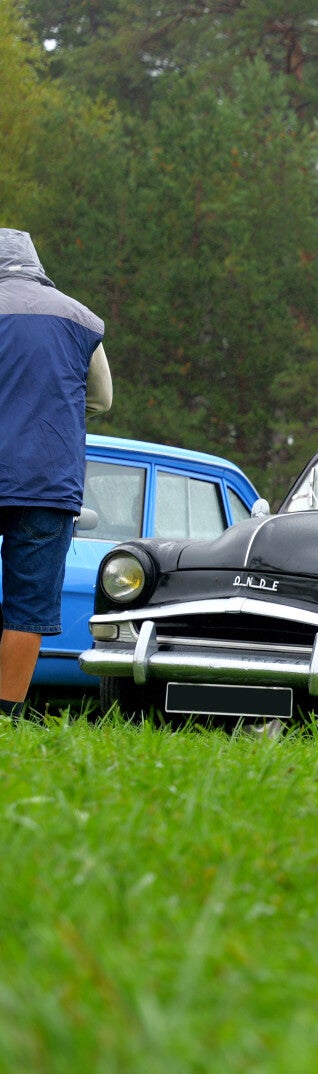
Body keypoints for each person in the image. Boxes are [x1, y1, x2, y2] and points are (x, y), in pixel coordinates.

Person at [0, 229, 111, 717]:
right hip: (46, 483)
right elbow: (102, 399)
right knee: (28, 608)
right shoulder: (80, 318)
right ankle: (6, 714)